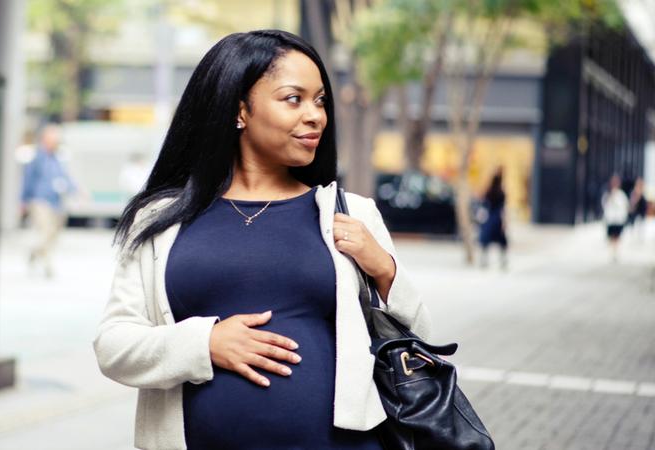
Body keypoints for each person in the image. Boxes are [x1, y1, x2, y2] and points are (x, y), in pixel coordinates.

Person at [92, 30, 431, 450]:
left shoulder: (351, 213)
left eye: (320, 100)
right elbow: (113, 346)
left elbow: (420, 339)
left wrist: (384, 269)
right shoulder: (160, 220)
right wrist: (205, 343)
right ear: (240, 111)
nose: (316, 116)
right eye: (294, 98)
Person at [20, 124, 76, 278]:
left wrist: (76, 190)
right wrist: (23, 201)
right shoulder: (37, 158)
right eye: (54, 138)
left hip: (56, 202)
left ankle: (34, 252)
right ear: (45, 139)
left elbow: (65, 177)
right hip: (39, 201)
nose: (57, 141)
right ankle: (48, 266)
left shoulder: (57, 158)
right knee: (45, 232)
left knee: (54, 234)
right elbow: (28, 179)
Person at [478, 169, 508, 270]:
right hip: (497, 219)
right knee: (501, 242)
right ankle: (503, 261)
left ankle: (484, 260)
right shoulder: (501, 193)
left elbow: (484, 205)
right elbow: (503, 209)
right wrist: (504, 222)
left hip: (489, 219)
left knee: (486, 241)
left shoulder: (489, 191)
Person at [602, 174, 629, 262]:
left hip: (618, 219)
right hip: (610, 219)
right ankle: (613, 252)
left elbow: (625, 206)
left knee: (617, 237)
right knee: (611, 237)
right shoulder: (607, 193)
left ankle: (615, 253)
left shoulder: (621, 195)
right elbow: (604, 205)